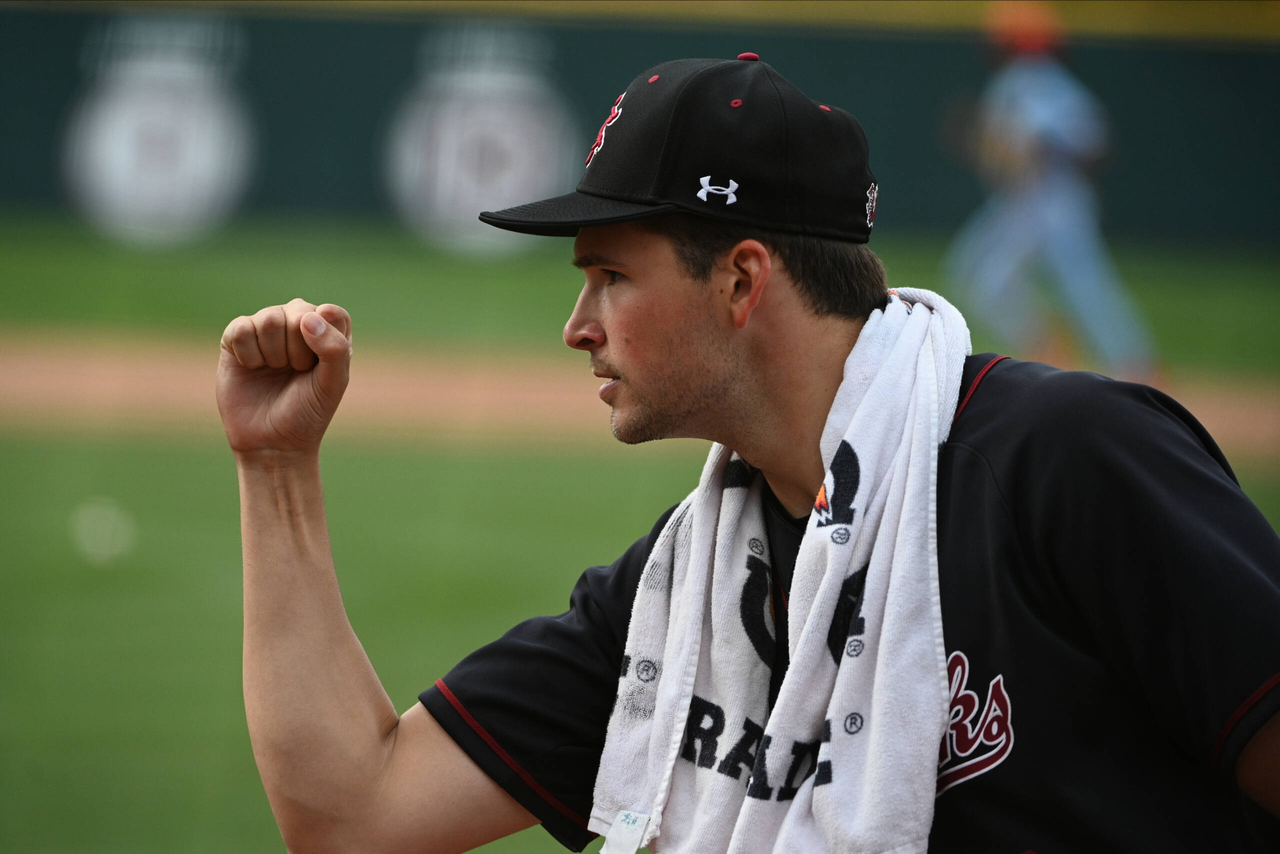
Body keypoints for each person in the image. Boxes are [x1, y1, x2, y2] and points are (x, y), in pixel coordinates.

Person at [216, 55, 1280, 854]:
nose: (577, 324)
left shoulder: (1065, 460)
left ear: (740, 280)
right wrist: (275, 468)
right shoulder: (678, 600)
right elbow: (352, 808)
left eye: (610, 275)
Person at [943, 0, 1158, 381]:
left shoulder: (1026, 80)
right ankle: (1125, 362)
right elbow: (1094, 142)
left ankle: (1106, 357)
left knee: (986, 279)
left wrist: (1025, 148)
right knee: (1079, 286)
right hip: (1038, 202)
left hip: (1044, 203)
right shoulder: (1045, 79)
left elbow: (1051, 147)